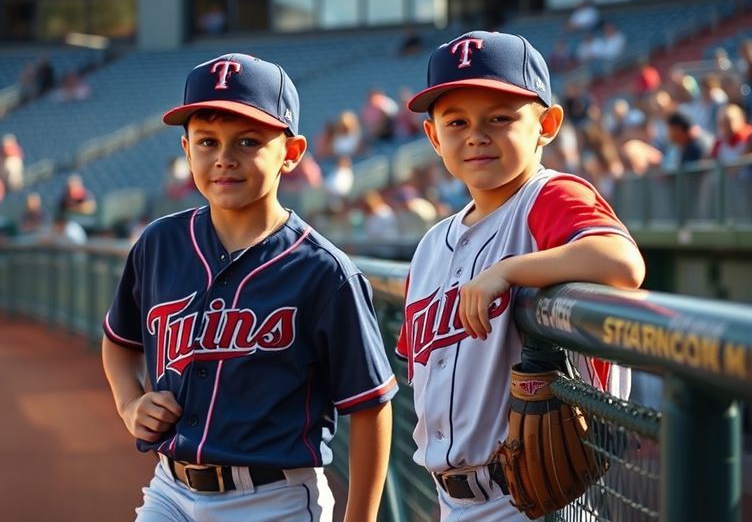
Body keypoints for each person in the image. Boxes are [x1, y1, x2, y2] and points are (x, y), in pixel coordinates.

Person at [101, 53, 397, 522]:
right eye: (206, 141)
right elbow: (119, 342)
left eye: (247, 141)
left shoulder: (324, 272)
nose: (224, 158)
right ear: (185, 149)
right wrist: (128, 402)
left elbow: (370, 408)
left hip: (272, 499)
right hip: (169, 490)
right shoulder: (159, 243)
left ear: (292, 153)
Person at [395, 31, 645, 521]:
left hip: (535, 497)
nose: (476, 135)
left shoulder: (549, 196)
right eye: (457, 121)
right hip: (450, 498)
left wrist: (507, 272)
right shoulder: (430, 246)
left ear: (546, 124)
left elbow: (621, 261)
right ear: (433, 137)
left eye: (500, 118)